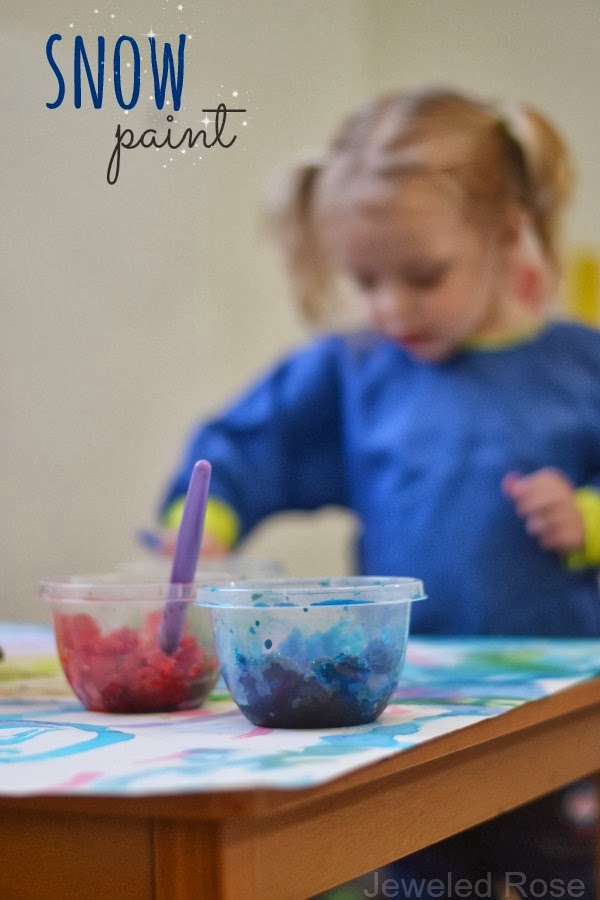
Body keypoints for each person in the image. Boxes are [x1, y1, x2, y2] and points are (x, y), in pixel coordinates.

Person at [158, 87, 600, 897]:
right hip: (408, 716)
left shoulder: (581, 368)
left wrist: (590, 519)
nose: (390, 307)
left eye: (423, 276)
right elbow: (242, 446)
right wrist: (205, 525)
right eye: (365, 280)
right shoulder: (357, 371)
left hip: (559, 716)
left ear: (505, 238)